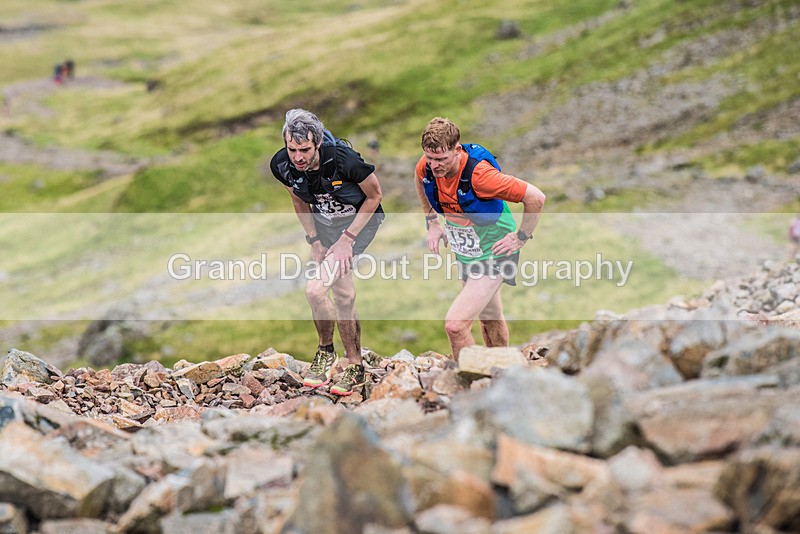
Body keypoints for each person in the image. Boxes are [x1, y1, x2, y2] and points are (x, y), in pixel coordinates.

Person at [270, 109, 384, 395]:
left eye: (305, 150)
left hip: (358, 223)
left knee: (315, 290)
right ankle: (356, 366)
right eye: (292, 149)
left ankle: (325, 353)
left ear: (318, 143)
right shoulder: (282, 165)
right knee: (343, 295)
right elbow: (298, 201)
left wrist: (347, 240)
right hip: (325, 228)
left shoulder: (344, 160)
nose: (298, 156)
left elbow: (375, 196)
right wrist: (314, 241)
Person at [414, 117, 546, 360]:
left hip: (496, 248)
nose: (434, 166)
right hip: (468, 250)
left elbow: (536, 197)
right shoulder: (428, 166)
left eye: (441, 160)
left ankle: (466, 384)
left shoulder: (481, 176)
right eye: (430, 159)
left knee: (455, 325)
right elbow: (421, 180)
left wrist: (521, 237)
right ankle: (501, 372)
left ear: (457, 150)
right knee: (490, 317)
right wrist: (431, 222)